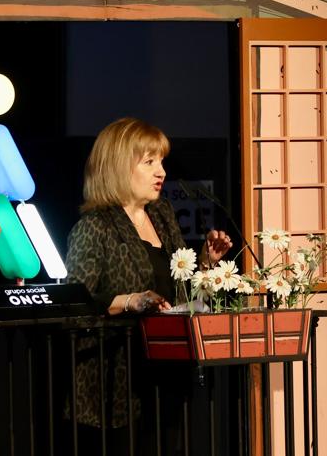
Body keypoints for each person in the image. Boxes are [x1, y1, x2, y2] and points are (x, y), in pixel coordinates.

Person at [64, 117, 234, 442]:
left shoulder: (162, 216)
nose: (162, 172)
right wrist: (131, 301)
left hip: (168, 373)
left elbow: (179, 292)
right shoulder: (95, 227)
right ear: (118, 166)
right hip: (117, 383)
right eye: (149, 162)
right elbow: (74, 304)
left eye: (162, 162)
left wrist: (206, 262)